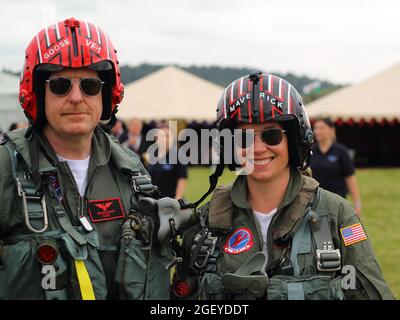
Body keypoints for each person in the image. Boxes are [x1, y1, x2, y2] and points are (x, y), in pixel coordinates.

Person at [0, 18, 180, 300]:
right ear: (37, 92)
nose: (75, 97)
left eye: (90, 86)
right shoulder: (5, 168)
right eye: (59, 85)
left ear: (106, 94)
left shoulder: (131, 174)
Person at [174, 72, 394, 300]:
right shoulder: (208, 220)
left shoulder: (335, 213)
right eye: (243, 138)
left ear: (294, 141)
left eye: (271, 135)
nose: (257, 148)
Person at [310, 118, 362, 214]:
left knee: (342, 229)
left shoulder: (341, 151)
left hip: (338, 202)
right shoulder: (310, 151)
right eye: (315, 128)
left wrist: (357, 203)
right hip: (315, 203)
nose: (317, 131)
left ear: (331, 130)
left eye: (321, 128)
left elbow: (350, 178)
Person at [147, 125, 188, 199]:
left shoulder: (178, 155)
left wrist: (177, 200)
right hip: (154, 199)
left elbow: (182, 179)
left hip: (171, 201)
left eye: (167, 136)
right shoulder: (151, 155)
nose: (164, 139)